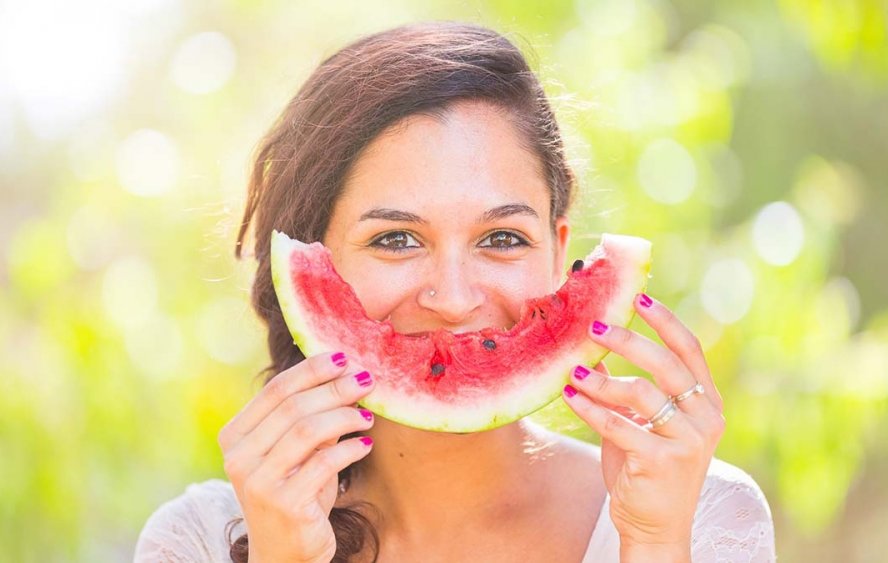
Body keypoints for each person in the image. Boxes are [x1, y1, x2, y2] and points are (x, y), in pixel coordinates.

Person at [134, 21, 775, 563]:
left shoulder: (703, 516)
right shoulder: (198, 541)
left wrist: (653, 543)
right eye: (395, 240)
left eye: (501, 239)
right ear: (312, 262)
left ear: (559, 252)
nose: (453, 297)